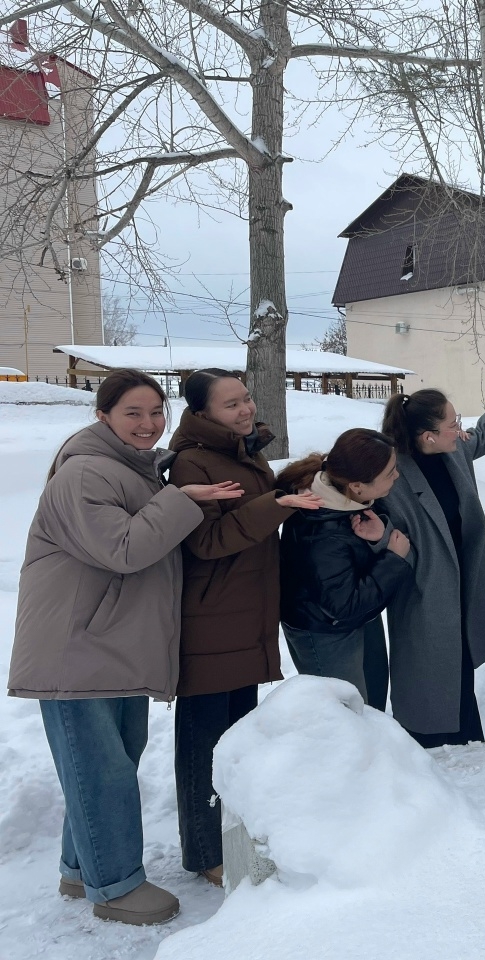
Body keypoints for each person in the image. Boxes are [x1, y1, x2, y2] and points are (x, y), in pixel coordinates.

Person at [8, 369, 242, 925]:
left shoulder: (133, 471)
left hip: (111, 646)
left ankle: (79, 867)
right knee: (101, 772)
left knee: (109, 763)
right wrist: (180, 499)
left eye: (156, 412)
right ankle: (113, 885)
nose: (148, 423)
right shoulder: (84, 473)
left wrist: (171, 491)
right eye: (133, 413)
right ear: (102, 416)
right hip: (77, 649)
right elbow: (125, 549)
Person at [167, 369, 323, 887]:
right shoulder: (192, 462)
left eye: (246, 398)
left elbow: (255, 516)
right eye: (231, 404)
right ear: (202, 412)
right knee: (204, 745)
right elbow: (206, 542)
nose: (246, 409)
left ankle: (231, 840)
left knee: (236, 743)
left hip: (244, 615)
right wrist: (274, 505)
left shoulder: (242, 451)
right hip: (211, 621)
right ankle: (206, 853)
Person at [379, 373, 485, 748]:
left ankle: (467, 746)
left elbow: (483, 434)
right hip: (424, 596)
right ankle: (425, 752)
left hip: (463, 590)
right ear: (428, 437)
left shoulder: (453, 452)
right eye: (452, 423)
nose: (460, 428)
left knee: (460, 673)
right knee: (430, 678)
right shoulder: (392, 476)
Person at [276, 428, 414, 706]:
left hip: (357, 618)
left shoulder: (347, 498)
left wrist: (379, 537)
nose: (397, 476)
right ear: (358, 486)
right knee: (346, 716)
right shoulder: (320, 532)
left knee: (370, 706)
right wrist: (393, 559)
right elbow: (343, 604)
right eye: (390, 473)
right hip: (325, 632)